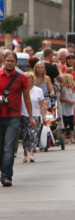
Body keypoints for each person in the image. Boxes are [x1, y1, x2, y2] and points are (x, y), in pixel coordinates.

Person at [0, 52, 35, 186]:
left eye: (12, 61)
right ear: (3, 61)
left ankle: (6, 176)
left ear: (16, 63)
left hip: (13, 117)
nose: (9, 63)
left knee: (8, 148)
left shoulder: (21, 78)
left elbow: (26, 98)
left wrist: (31, 117)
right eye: (7, 60)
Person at [20, 72, 47, 163]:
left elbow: (42, 104)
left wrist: (44, 116)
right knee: (24, 135)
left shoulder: (38, 90)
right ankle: (25, 153)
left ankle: (32, 153)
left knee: (33, 134)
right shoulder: (21, 90)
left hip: (36, 115)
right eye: (27, 78)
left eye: (30, 78)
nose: (29, 80)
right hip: (23, 115)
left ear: (33, 79)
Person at [60, 73, 75, 144]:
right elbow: (61, 98)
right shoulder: (63, 89)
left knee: (71, 123)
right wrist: (69, 100)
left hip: (70, 109)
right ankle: (64, 138)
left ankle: (72, 137)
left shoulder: (71, 89)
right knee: (64, 123)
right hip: (65, 108)